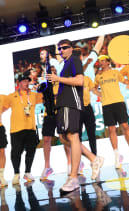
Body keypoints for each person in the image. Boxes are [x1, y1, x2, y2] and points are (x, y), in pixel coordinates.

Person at [46, 39, 104, 195]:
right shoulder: (66, 64)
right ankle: (93, 158)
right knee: (65, 137)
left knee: (72, 136)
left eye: (65, 47)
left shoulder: (74, 60)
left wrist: (58, 79)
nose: (62, 50)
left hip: (71, 104)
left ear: (71, 48)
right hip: (65, 103)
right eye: (60, 48)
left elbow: (80, 80)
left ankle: (73, 178)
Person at [93, 55, 129, 168]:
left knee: (125, 126)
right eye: (100, 61)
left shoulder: (115, 72)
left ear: (108, 62)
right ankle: (116, 155)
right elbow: (94, 88)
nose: (101, 63)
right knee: (111, 129)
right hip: (106, 105)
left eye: (103, 61)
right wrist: (101, 95)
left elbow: (125, 82)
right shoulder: (98, 76)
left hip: (118, 102)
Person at [39, 48, 74, 180]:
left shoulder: (61, 83)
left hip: (60, 113)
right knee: (46, 140)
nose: (52, 73)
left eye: (54, 71)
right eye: (50, 72)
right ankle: (47, 166)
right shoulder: (44, 85)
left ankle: (70, 163)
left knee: (64, 138)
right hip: (49, 115)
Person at [3, 70, 42, 185]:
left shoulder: (34, 95)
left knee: (31, 150)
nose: (26, 83)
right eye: (24, 81)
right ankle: (16, 173)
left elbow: (45, 97)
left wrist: (39, 88)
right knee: (16, 152)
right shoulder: (11, 96)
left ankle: (28, 172)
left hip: (30, 128)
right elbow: (1, 109)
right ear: (18, 83)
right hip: (16, 129)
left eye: (27, 81)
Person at [78, 75, 99, 155]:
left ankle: (94, 156)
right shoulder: (70, 79)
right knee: (77, 136)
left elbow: (94, 90)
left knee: (92, 134)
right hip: (77, 110)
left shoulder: (87, 78)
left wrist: (103, 95)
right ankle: (78, 159)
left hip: (88, 108)